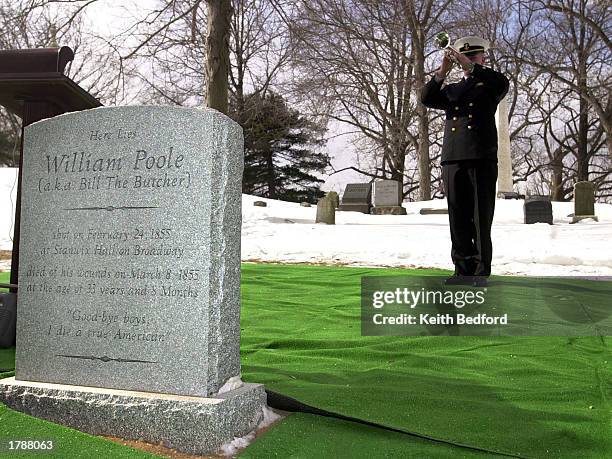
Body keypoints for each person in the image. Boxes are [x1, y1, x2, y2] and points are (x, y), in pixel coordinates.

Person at [420, 36, 509, 287]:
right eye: (466, 56)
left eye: (473, 56)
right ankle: (463, 270)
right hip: (453, 158)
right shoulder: (452, 90)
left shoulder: (491, 83)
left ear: (483, 58)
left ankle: (481, 272)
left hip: (481, 157)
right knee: (457, 217)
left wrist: (471, 68)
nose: (469, 60)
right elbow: (426, 98)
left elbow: (500, 83)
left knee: (480, 216)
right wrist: (442, 71)